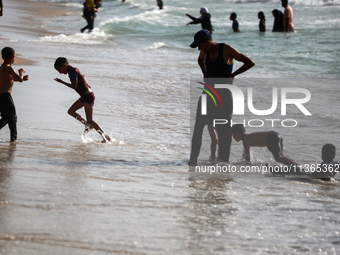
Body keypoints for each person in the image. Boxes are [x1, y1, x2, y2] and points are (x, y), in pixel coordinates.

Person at [189, 30, 254, 165]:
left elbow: (249, 62)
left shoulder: (226, 50)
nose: (199, 49)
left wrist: (232, 75)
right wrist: (204, 72)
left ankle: (223, 164)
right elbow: (200, 60)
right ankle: (193, 162)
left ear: (207, 42)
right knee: (198, 129)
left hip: (224, 97)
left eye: (200, 45)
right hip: (207, 94)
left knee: (224, 133)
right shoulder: (204, 51)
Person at [54, 57, 111, 142]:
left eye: (59, 70)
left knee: (90, 119)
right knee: (71, 111)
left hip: (88, 97)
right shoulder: (73, 71)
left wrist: (62, 82)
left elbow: (74, 86)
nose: (60, 72)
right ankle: (88, 125)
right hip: (84, 97)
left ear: (64, 65)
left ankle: (105, 137)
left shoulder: (73, 71)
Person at [232, 124, 299, 166]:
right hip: (275, 135)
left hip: (271, 137)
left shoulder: (246, 140)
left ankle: (297, 166)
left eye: (233, 135)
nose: (233, 137)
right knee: (280, 157)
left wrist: (244, 166)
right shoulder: (247, 138)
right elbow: (245, 154)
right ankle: (293, 166)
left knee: (278, 158)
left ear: (237, 134)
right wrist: (241, 161)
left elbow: (247, 157)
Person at [0, 47, 29, 142]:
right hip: (6, 96)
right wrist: (21, 72)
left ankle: (13, 137)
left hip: (1, 96)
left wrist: (22, 78)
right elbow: (19, 79)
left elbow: (10, 79)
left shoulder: (2, 67)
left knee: (6, 117)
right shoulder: (9, 67)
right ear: (13, 57)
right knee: (13, 117)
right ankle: (13, 138)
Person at [270, 144, 339, 181]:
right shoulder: (336, 164)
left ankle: (274, 170)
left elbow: (327, 169)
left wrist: (331, 177)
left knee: (293, 168)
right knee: (294, 168)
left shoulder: (325, 164)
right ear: (334, 155)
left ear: (322, 156)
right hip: (308, 174)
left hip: (307, 175)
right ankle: (274, 169)